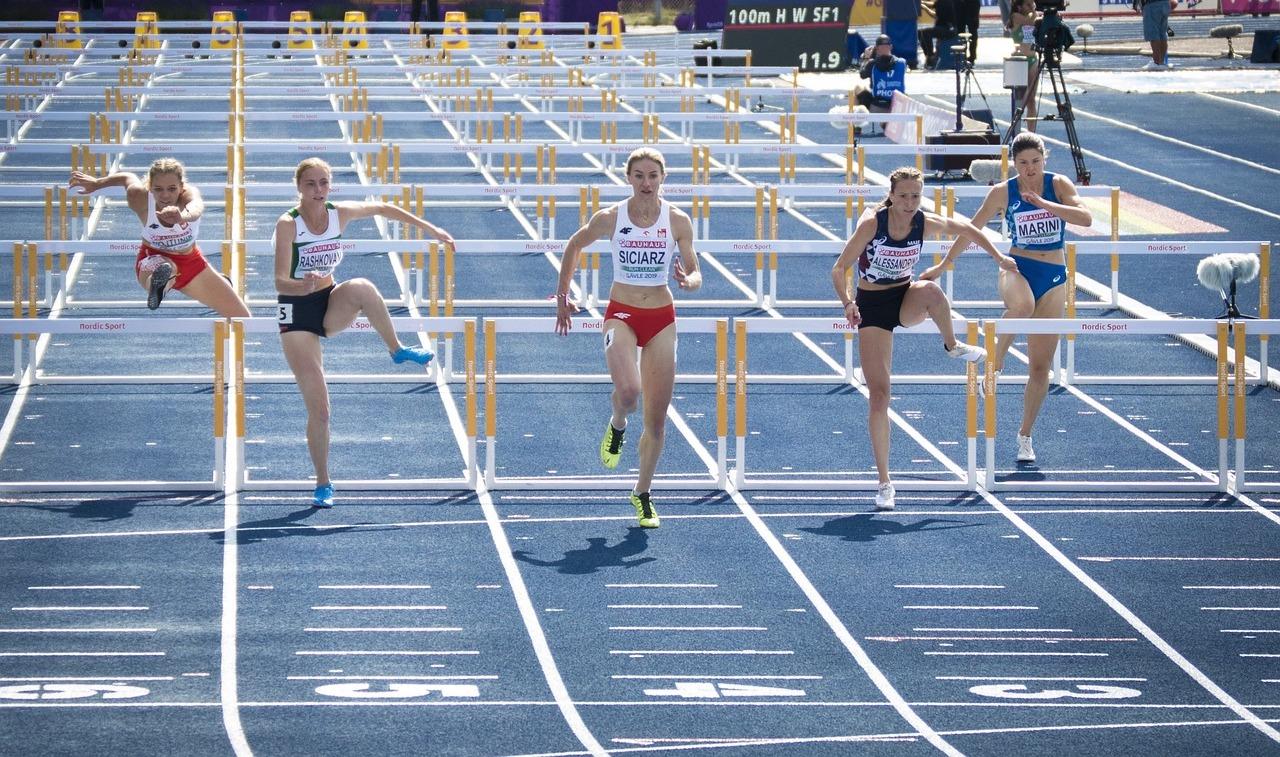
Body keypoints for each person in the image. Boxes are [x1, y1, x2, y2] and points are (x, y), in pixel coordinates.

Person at [831, 166, 1015, 512]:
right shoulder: (873, 223)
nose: (910, 202)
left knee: (931, 290)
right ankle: (885, 483)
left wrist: (999, 257)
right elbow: (838, 268)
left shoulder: (923, 222)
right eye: (903, 196)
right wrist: (847, 302)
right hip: (872, 306)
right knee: (879, 395)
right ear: (891, 194)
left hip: (905, 299)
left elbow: (967, 228)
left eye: (916, 196)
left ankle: (952, 346)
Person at [274, 157, 455, 508]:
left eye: (324, 183)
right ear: (299, 187)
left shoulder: (339, 213)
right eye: (311, 184)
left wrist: (431, 229)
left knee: (363, 287)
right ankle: (323, 482)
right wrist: (302, 284)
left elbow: (385, 208)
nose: (318, 190)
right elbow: (280, 280)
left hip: (327, 299)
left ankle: (396, 349)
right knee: (321, 409)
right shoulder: (288, 224)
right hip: (295, 310)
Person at [554, 147, 701, 529]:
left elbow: (695, 269)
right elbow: (574, 244)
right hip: (621, 313)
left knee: (656, 419)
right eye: (639, 175)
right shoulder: (611, 217)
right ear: (629, 178)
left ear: (663, 179)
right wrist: (562, 296)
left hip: (661, 318)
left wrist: (690, 281)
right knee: (630, 393)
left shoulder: (678, 220)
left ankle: (642, 493)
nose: (646, 183)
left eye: (653, 175)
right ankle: (618, 421)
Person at [936, 132, 1092, 464]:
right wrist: (944, 264)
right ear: (1014, 164)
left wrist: (1045, 204)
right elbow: (971, 228)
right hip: (1016, 268)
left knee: (1040, 368)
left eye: (1035, 162)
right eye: (1023, 164)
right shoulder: (1002, 191)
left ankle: (1025, 436)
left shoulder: (1059, 184)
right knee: (1022, 306)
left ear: (1044, 160)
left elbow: (1086, 218)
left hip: (1053, 277)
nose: (1030, 169)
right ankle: (995, 366)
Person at [68, 159, 250, 317]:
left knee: (242, 316)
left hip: (191, 263)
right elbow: (126, 178)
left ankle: (191, 283)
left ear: (181, 187)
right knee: (166, 268)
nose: (165, 195)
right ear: (149, 188)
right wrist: (98, 183)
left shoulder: (189, 195)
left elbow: (197, 207)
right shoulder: (139, 197)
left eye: (172, 189)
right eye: (158, 189)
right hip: (152, 257)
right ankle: (156, 289)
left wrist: (181, 217)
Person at [1009, 0, 1040, 131]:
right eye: (1027, 4)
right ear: (1019, 6)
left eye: (1031, 4)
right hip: (1020, 61)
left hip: (1032, 59)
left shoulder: (1033, 15)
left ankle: (1031, 132)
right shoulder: (1015, 17)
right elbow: (1031, 22)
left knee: (1032, 99)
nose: (1031, 6)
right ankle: (1016, 130)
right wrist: (1034, 11)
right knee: (1020, 99)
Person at [855, 34, 907, 111]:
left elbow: (862, 75)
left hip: (877, 104)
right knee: (904, 93)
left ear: (876, 49)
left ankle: (854, 121)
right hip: (897, 104)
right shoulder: (902, 62)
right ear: (891, 47)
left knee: (858, 88)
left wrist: (866, 58)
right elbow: (889, 62)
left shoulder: (872, 64)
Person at [918, 0, 959, 69]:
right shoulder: (942, 2)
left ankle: (930, 56)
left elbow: (935, 15)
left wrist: (925, 8)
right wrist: (922, 2)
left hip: (947, 29)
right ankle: (930, 56)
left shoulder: (945, 2)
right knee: (923, 33)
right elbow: (933, 4)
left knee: (923, 33)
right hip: (946, 27)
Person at [1137, 0, 1173, 68]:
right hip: (1165, 4)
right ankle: (1161, 62)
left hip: (1153, 5)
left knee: (1154, 34)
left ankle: (1156, 62)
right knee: (1162, 34)